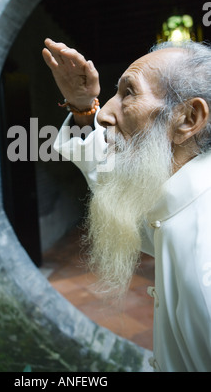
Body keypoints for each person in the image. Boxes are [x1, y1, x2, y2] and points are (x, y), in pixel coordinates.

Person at [42, 38, 211, 372]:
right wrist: (80, 105)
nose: (103, 113)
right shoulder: (175, 196)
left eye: (129, 93)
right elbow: (107, 171)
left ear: (189, 118)